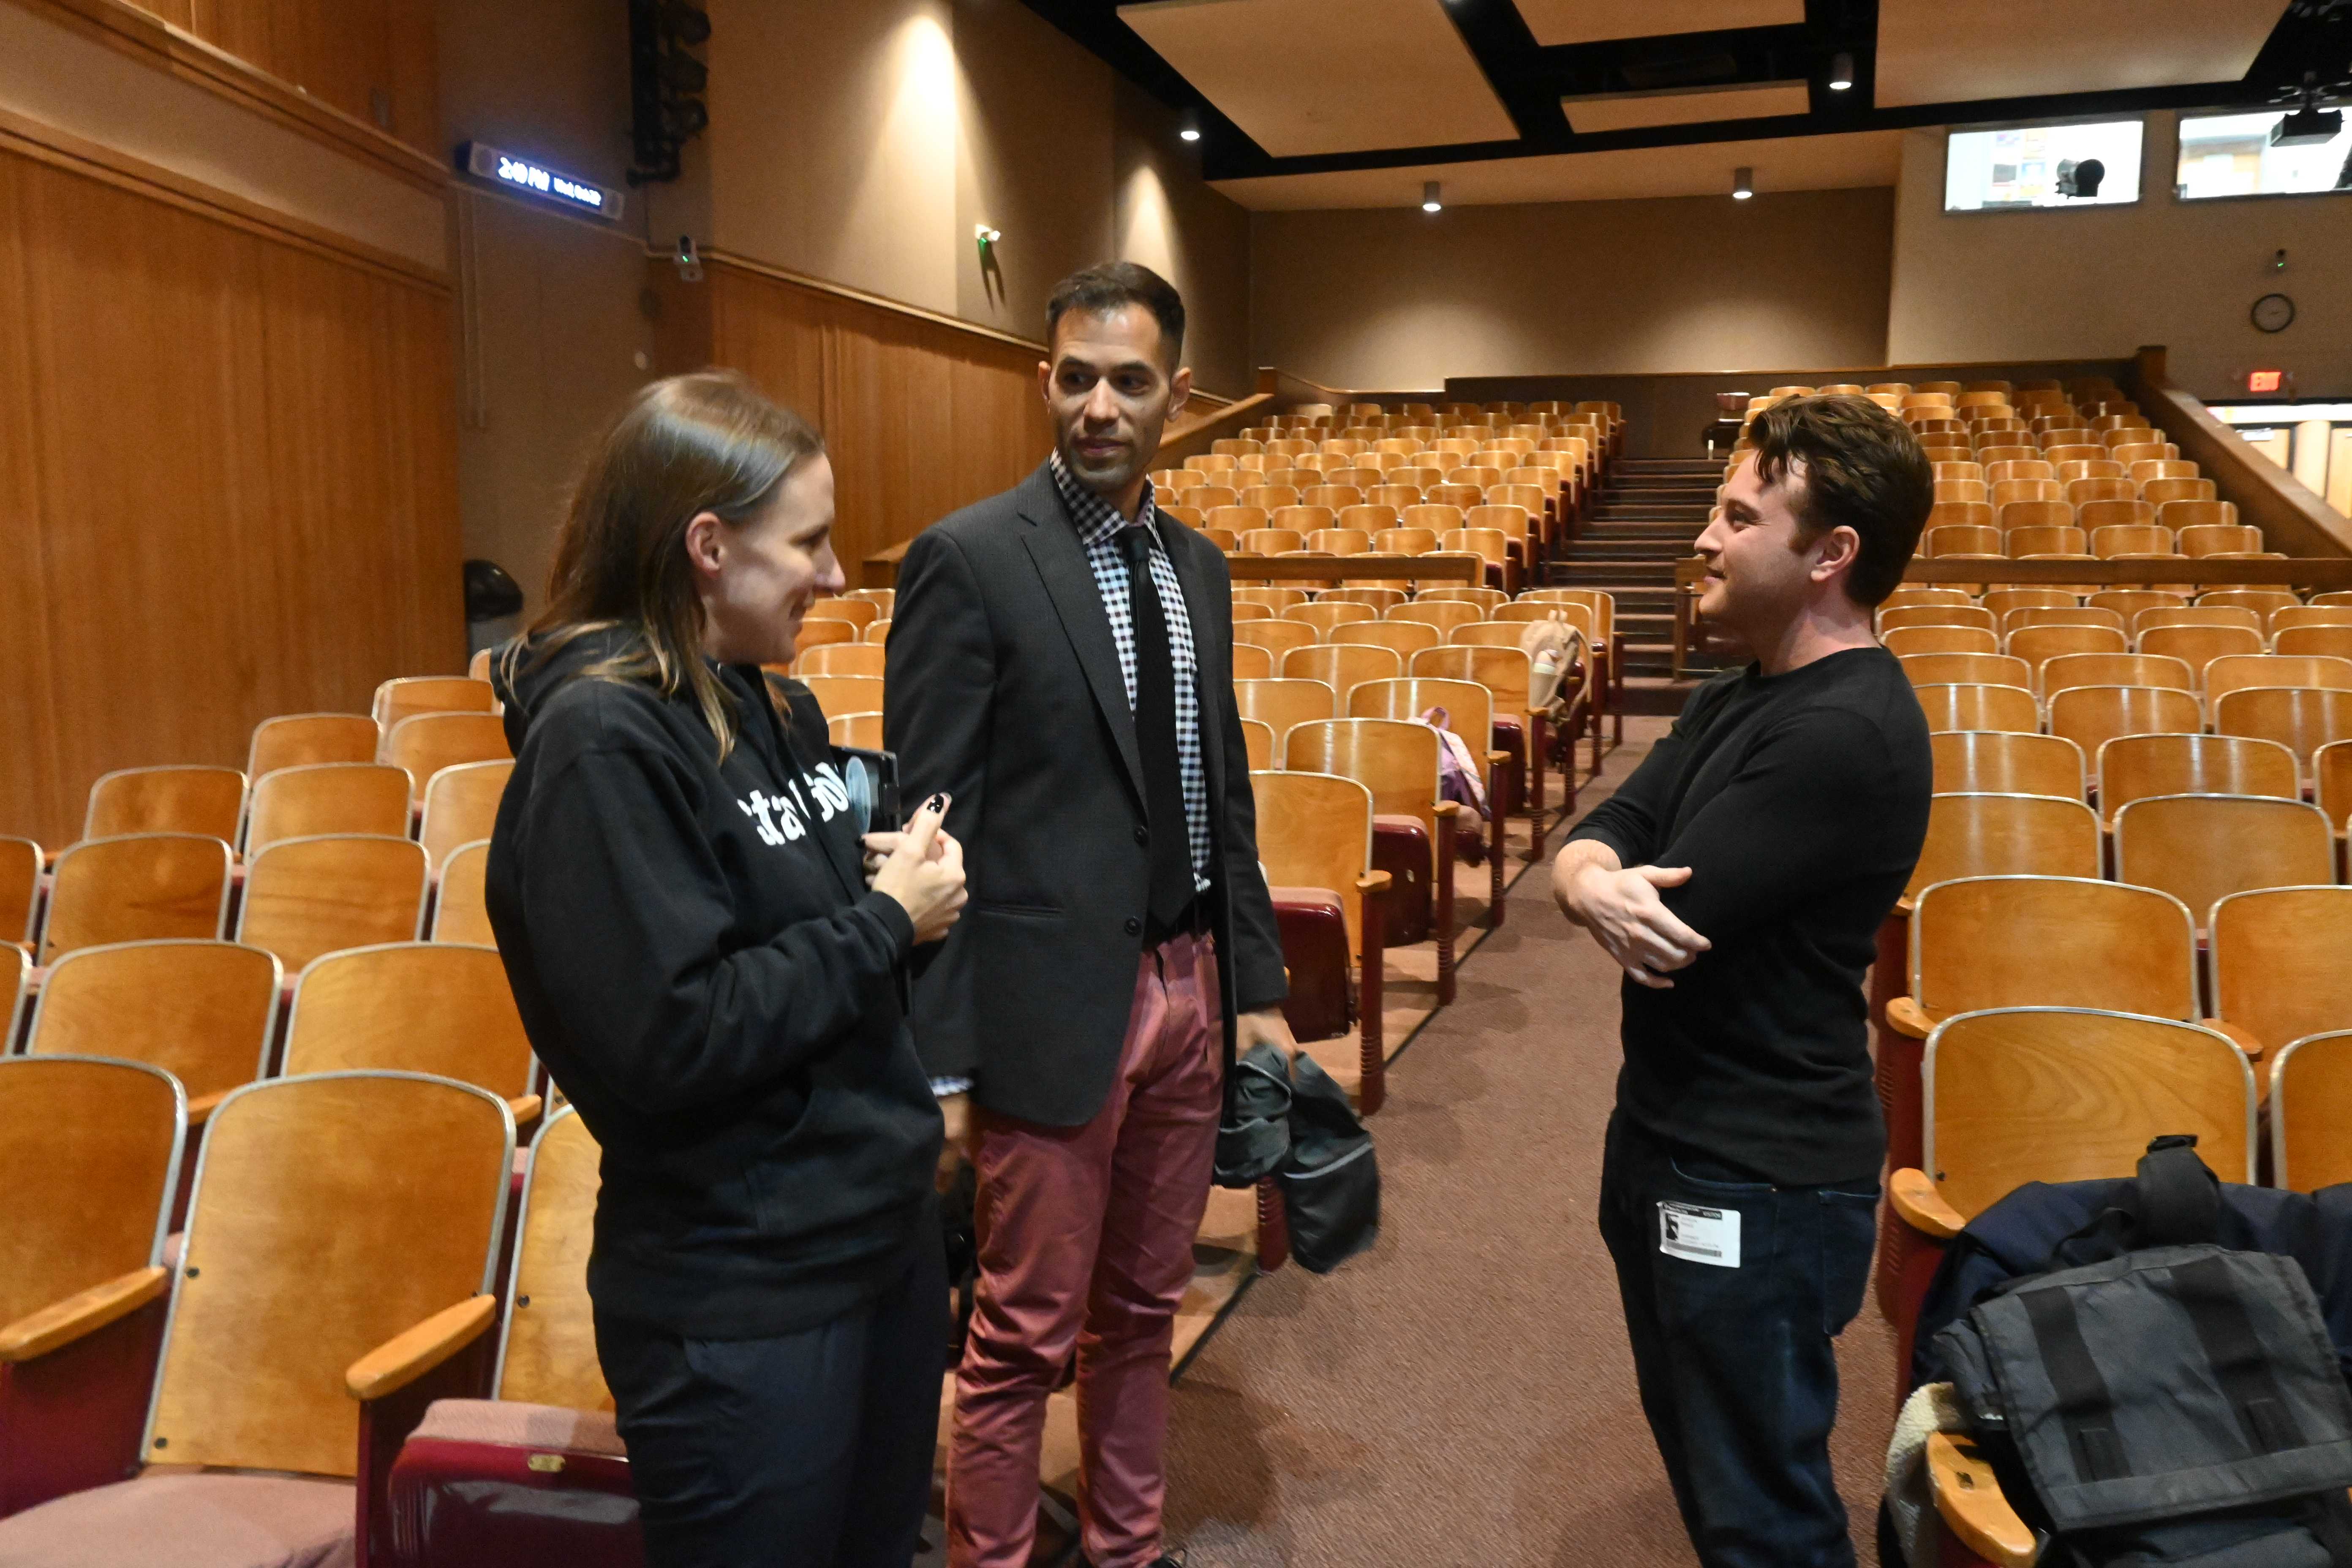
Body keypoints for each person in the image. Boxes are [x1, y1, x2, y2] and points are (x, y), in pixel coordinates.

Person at [484, 371, 968, 1567]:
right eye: (807, 540)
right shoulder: (602, 745)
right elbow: (676, 1037)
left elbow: (796, 953)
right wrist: (882, 924)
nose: (838, 574)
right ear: (708, 546)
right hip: (743, 1297)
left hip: (870, 1246)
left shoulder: (767, 703)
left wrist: (884, 890)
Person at [886, 261, 1294, 1568]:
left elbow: (1220, 787)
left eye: (1128, 381)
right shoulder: (970, 558)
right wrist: (943, 1060)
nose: (1098, 407)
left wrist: (1255, 988)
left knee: (1143, 1311)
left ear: (1180, 392)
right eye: (1074, 377)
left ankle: (1129, 1548)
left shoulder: (1200, 569)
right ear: (1042, 377)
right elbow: (930, 833)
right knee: (1019, 1335)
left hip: (1185, 989)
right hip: (1049, 1008)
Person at [1550, 393, 1935, 1568]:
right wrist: (1583, 876)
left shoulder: (1846, 733)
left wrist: (1603, 883)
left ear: (1831, 556)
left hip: (1757, 1177)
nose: (1706, 540)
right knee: (1714, 1478)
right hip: (1673, 1134)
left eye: (1737, 516)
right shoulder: (1742, 694)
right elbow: (1607, 826)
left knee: (1764, 1517)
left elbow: (1670, 911)